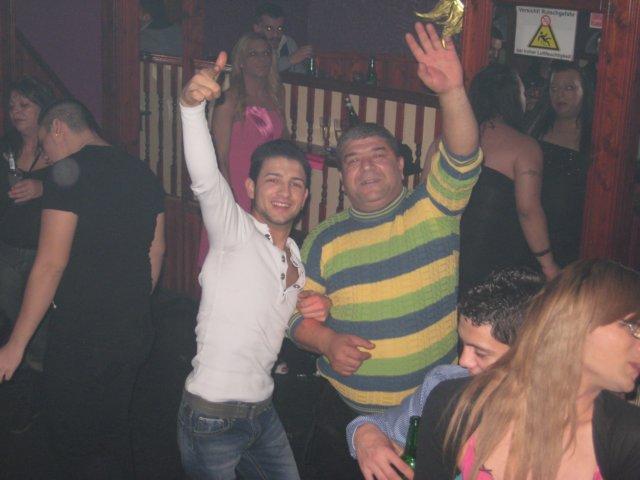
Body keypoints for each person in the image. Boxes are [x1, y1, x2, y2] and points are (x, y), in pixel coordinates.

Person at [287, 22, 482, 476]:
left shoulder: (434, 207)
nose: (366, 167)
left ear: (399, 163)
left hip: (430, 411)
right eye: (352, 161)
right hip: (346, 415)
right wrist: (326, 340)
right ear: (342, 177)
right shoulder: (323, 239)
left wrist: (452, 92)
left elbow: (462, 155)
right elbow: (291, 317)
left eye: (377, 155)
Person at [177, 54, 326, 480]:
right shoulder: (234, 231)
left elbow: (281, 314)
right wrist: (190, 108)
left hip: (263, 411)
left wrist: (314, 304)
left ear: (305, 197)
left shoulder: (295, 255)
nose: (284, 191)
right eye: (272, 180)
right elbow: (206, 178)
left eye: (295, 183)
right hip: (211, 418)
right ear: (250, 187)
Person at [0, 98, 166, 478]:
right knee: (114, 428)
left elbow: (50, 264)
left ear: (59, 128)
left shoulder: (67, 173)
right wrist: (134, 301)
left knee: (70, 437)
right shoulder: (142, 172)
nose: (47, 156)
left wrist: (16, 344)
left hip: (82, 334)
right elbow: (156, 250)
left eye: (45, 145)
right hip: (134, 328)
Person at [414, 259, 640, 480]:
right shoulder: (455, 405)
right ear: (578, 322)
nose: (464, 361)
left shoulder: (629, 438)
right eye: (635, 327)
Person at [347, 267, 544, 480]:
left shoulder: (558, 413)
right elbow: (376, 425)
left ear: (528, 351)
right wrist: (365, 436)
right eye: (463, 344)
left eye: (480, 353)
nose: (464, 360)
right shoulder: (445, 382)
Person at [459, 64, 559, 292]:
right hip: (494, 264)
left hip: (446, 253)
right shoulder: (524, 147)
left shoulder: (444, 140)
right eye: (523, 93)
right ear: (513, 99)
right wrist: (548, 265)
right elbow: (528, 210)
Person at [196, 31, 286, 269]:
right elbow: (220, 156)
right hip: (237, 185)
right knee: (232, 254)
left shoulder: (276, 95)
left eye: (266, 53)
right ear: (242, 61)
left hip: (268, 185)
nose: (262, 59)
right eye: (253, 54)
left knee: (263, 258)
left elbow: (282, 143)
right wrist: (229, 199)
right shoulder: (229, 99)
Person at [0, 77, 55, 369]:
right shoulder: (6, 146)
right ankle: (30, 354)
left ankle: (42, 360)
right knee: (12, 306)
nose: (15, 112)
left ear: (42, 108)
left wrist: (42, 188)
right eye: (11, 106)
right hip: (7, 246)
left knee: (41, 310)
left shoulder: (58, 147)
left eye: (24, 105)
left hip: (43, 249)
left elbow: (80, 189)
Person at [526, 62, 594, 267]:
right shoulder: (536, 125)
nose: (560, 95)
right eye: (554, 88)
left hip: (572, 230)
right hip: (533, 223)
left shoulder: (594, 135)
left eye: (569, 88)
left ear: (584, 91)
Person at [252, 2, 312, 74]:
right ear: (257, 28)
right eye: (269, 28)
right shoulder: (248, 46)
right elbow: (261, 70)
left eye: (279, 28)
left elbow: (300, 74)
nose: (276, 34)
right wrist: (290, 59)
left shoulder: (289, 43)